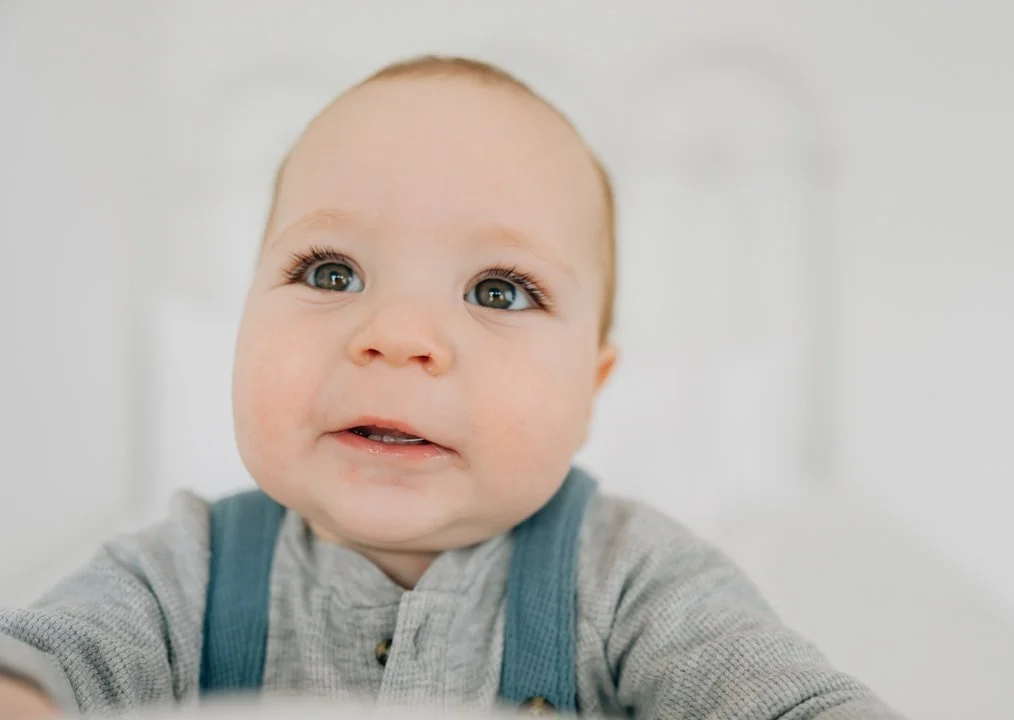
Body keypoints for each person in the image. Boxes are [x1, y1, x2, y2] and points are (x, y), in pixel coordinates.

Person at [0, 55, 903, 719]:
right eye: (330, 272)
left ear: (592, 391)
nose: (397, 337)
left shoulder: (635, 582)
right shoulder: (181, 572)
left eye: (498, 291)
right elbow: (38, 666)